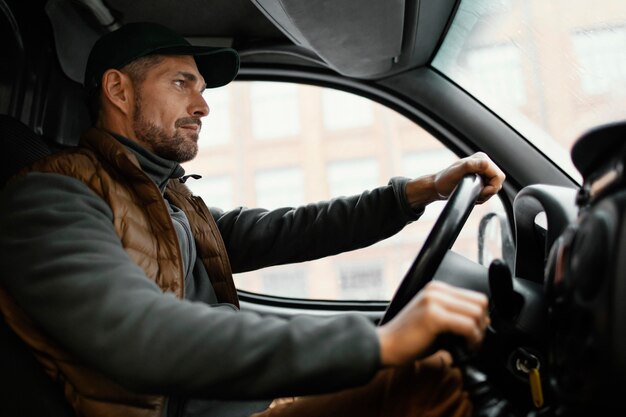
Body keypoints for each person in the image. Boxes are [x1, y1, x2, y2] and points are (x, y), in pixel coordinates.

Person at [0, 22, 504, 417]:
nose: (202, 106)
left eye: (201, 90)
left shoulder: (169, 199)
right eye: (182, 83)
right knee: (436, 382)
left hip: (242, 404)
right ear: (118, 90)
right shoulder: (52, 196)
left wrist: (419, 192)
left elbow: (290, 229)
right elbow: (138, 331)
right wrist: (374, 342)